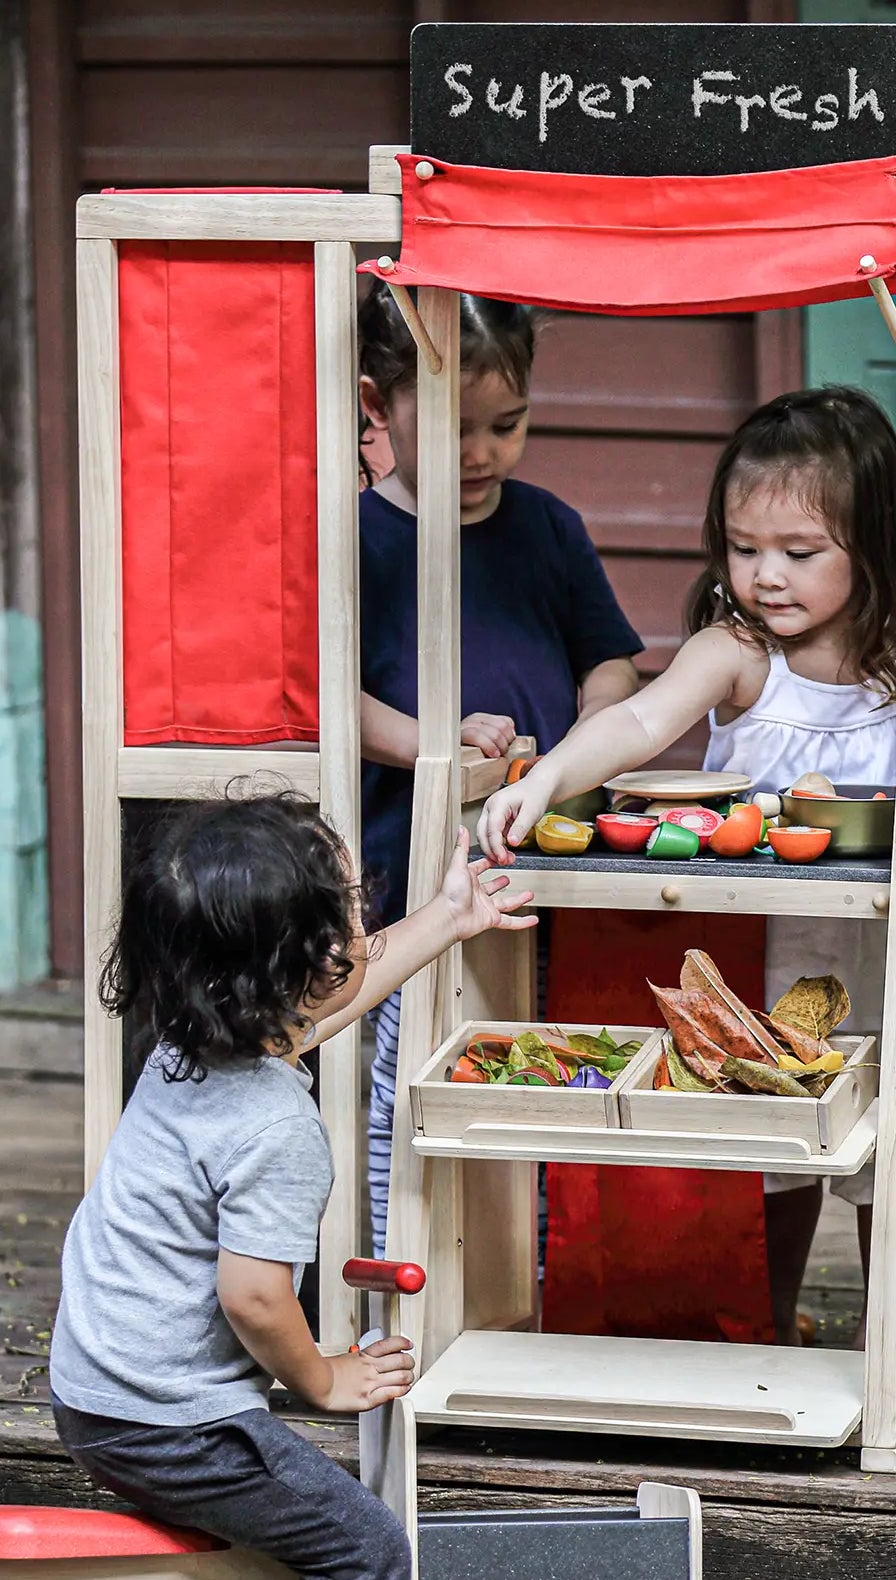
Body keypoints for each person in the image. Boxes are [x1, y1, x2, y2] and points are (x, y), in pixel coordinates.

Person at [48, 793, 534, 1580]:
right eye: (354, 920)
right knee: (362, 1550)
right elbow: (254, 1296)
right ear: (300, 968)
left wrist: (445, 917)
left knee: (281, 1535)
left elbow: (323, 1008)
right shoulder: (278, 1125)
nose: (366, 933)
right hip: (169, 1416)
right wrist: (322, 1377)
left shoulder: (188, 1043)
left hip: (101, 1389)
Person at [478, 387, 896, 1346]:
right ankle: (764, 1318)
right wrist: (548, 778)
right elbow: (638, 721)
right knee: (773, 1146)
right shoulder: (739, 653)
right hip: (759, 954)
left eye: (800, 554)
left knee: (894, 1133)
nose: (766, 576)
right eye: (742, 547)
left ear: (875, 545)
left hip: (894, 952)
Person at [356, 283, 643, 1256]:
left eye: (507, 425)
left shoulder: (547, 528)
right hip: (396, 878)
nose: (481, 453)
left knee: (528, 1060)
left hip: (534, 866)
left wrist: (583, 736)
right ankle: (403, 1268)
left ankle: (528, 1262)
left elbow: (608, 657)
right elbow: (323, 701)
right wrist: (436, 736)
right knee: (399, 1089)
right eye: (450, 426)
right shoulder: (355, 536)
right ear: (373, 405)